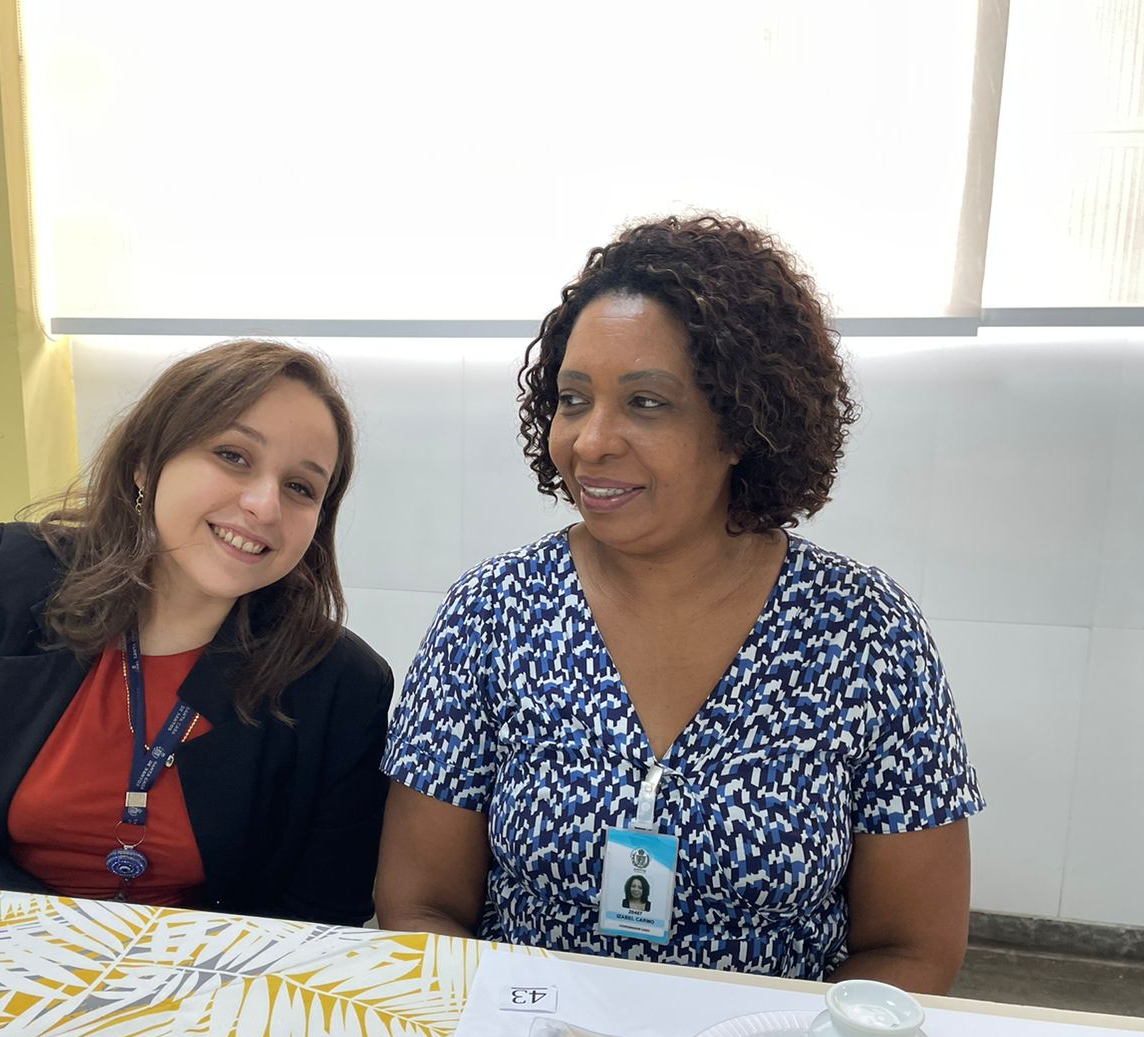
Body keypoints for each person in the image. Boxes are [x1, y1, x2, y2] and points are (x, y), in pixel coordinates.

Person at [376, 214, 982, 991]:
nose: (591, 441)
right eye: (573, 399)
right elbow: (419, 906)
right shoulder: (492, 614)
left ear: (742, 424)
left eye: (646, 402)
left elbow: (912, 948)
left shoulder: (863, 633)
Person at [0, 340, 393, 926]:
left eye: (301, 487)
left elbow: (321, 923)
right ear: (144, 464)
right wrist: (82, 949)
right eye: (233, 455)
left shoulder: (341, 684)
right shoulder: (6, 583)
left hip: (200, 977)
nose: (264, 505)